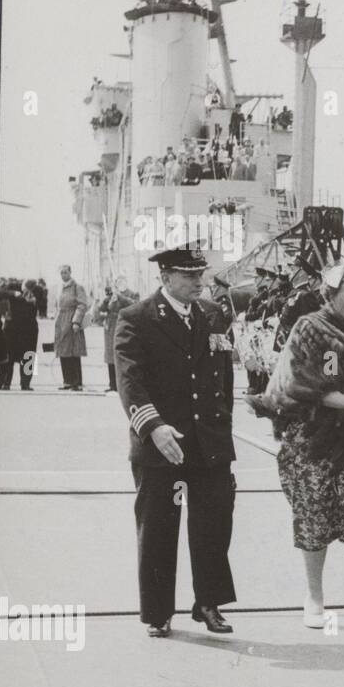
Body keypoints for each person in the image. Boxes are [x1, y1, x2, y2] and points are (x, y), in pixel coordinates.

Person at [248, 260, 344, 636]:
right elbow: (312, 384)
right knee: (314, 520)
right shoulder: (316, 331)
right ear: (330, 296)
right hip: (314, 442)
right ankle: (314, 598)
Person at [113, 244, 238, 637]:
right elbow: (130, 381)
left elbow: (223, 376)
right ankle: (158, 611)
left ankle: (208, 603)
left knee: (214, 526)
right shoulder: (136, 318)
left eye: (200, 275)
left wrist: (224, 423)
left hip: (208, 442)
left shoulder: (214, 314)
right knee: (158, 529)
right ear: (165, 278)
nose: (198, 282)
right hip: (161, 441)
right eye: (189, 276)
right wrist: (152, 426)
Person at [53, 265, 89, 391]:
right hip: (61, 322)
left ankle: (76, 382)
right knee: (63, 351)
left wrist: (76, 321)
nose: (63, 275)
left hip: (72, 322)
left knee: (73, 352)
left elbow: (82, 305)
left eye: (65, 272)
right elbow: (57, 305)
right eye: (61, 273)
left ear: (70, 272)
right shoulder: (59, 287)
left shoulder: (77, 287)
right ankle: (67, 381)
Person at [97, 277, 137, 392]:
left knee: (124, 355)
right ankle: (112, 384)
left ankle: (124, 385)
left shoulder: (133, 294)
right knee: (110, 355)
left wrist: (120, 297)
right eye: (118, 281)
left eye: (122, 280)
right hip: (111, 327)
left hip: (124, 326)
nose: (120, 283)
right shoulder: (113, 295)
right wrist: (107, 298)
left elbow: (134, 305)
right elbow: (102, 309)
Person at [0, 280, 39, 390]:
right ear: (22, 285)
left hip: (29, 330)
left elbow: (42, 301)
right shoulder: (13, 288)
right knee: (9, 357)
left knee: (29, 356)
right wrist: (14, 294)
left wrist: (35, 300)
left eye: (29, 290)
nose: (26, 292)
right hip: (13, 329)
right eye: (25, 288)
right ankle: (6, 383)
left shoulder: (37, 292)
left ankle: (25, 384)